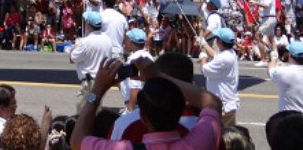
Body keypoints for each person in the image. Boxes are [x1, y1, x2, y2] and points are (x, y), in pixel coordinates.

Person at [70, 57, 222, 150]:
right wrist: (159, 76)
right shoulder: (197, 143)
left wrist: (97, 89)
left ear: (143, 117)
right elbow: (212, 103)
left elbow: (77, 141)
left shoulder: (125, 137)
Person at [69, 12, 113, 112]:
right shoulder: (107, 39)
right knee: (95, 107)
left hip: (90, 83)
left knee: (85, 109)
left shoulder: (86, 41)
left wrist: (75, 46)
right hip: (100, 80)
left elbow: (72, 58)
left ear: (89, 25)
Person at [198, 27, 240, 126]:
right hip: (228, 103)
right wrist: (204, 44)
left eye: (217, 38)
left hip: (222, 105)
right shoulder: (229, 53)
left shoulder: (224, 58)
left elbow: (205, 70)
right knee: (230, 135)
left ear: (220, 41)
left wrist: (203, 57)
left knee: (220, 136)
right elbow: (216, 55)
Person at [267, 40, 303, 116]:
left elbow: (270, 69)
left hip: (289, 119)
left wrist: (274, 57)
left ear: (290, 55)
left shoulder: (285, 72)